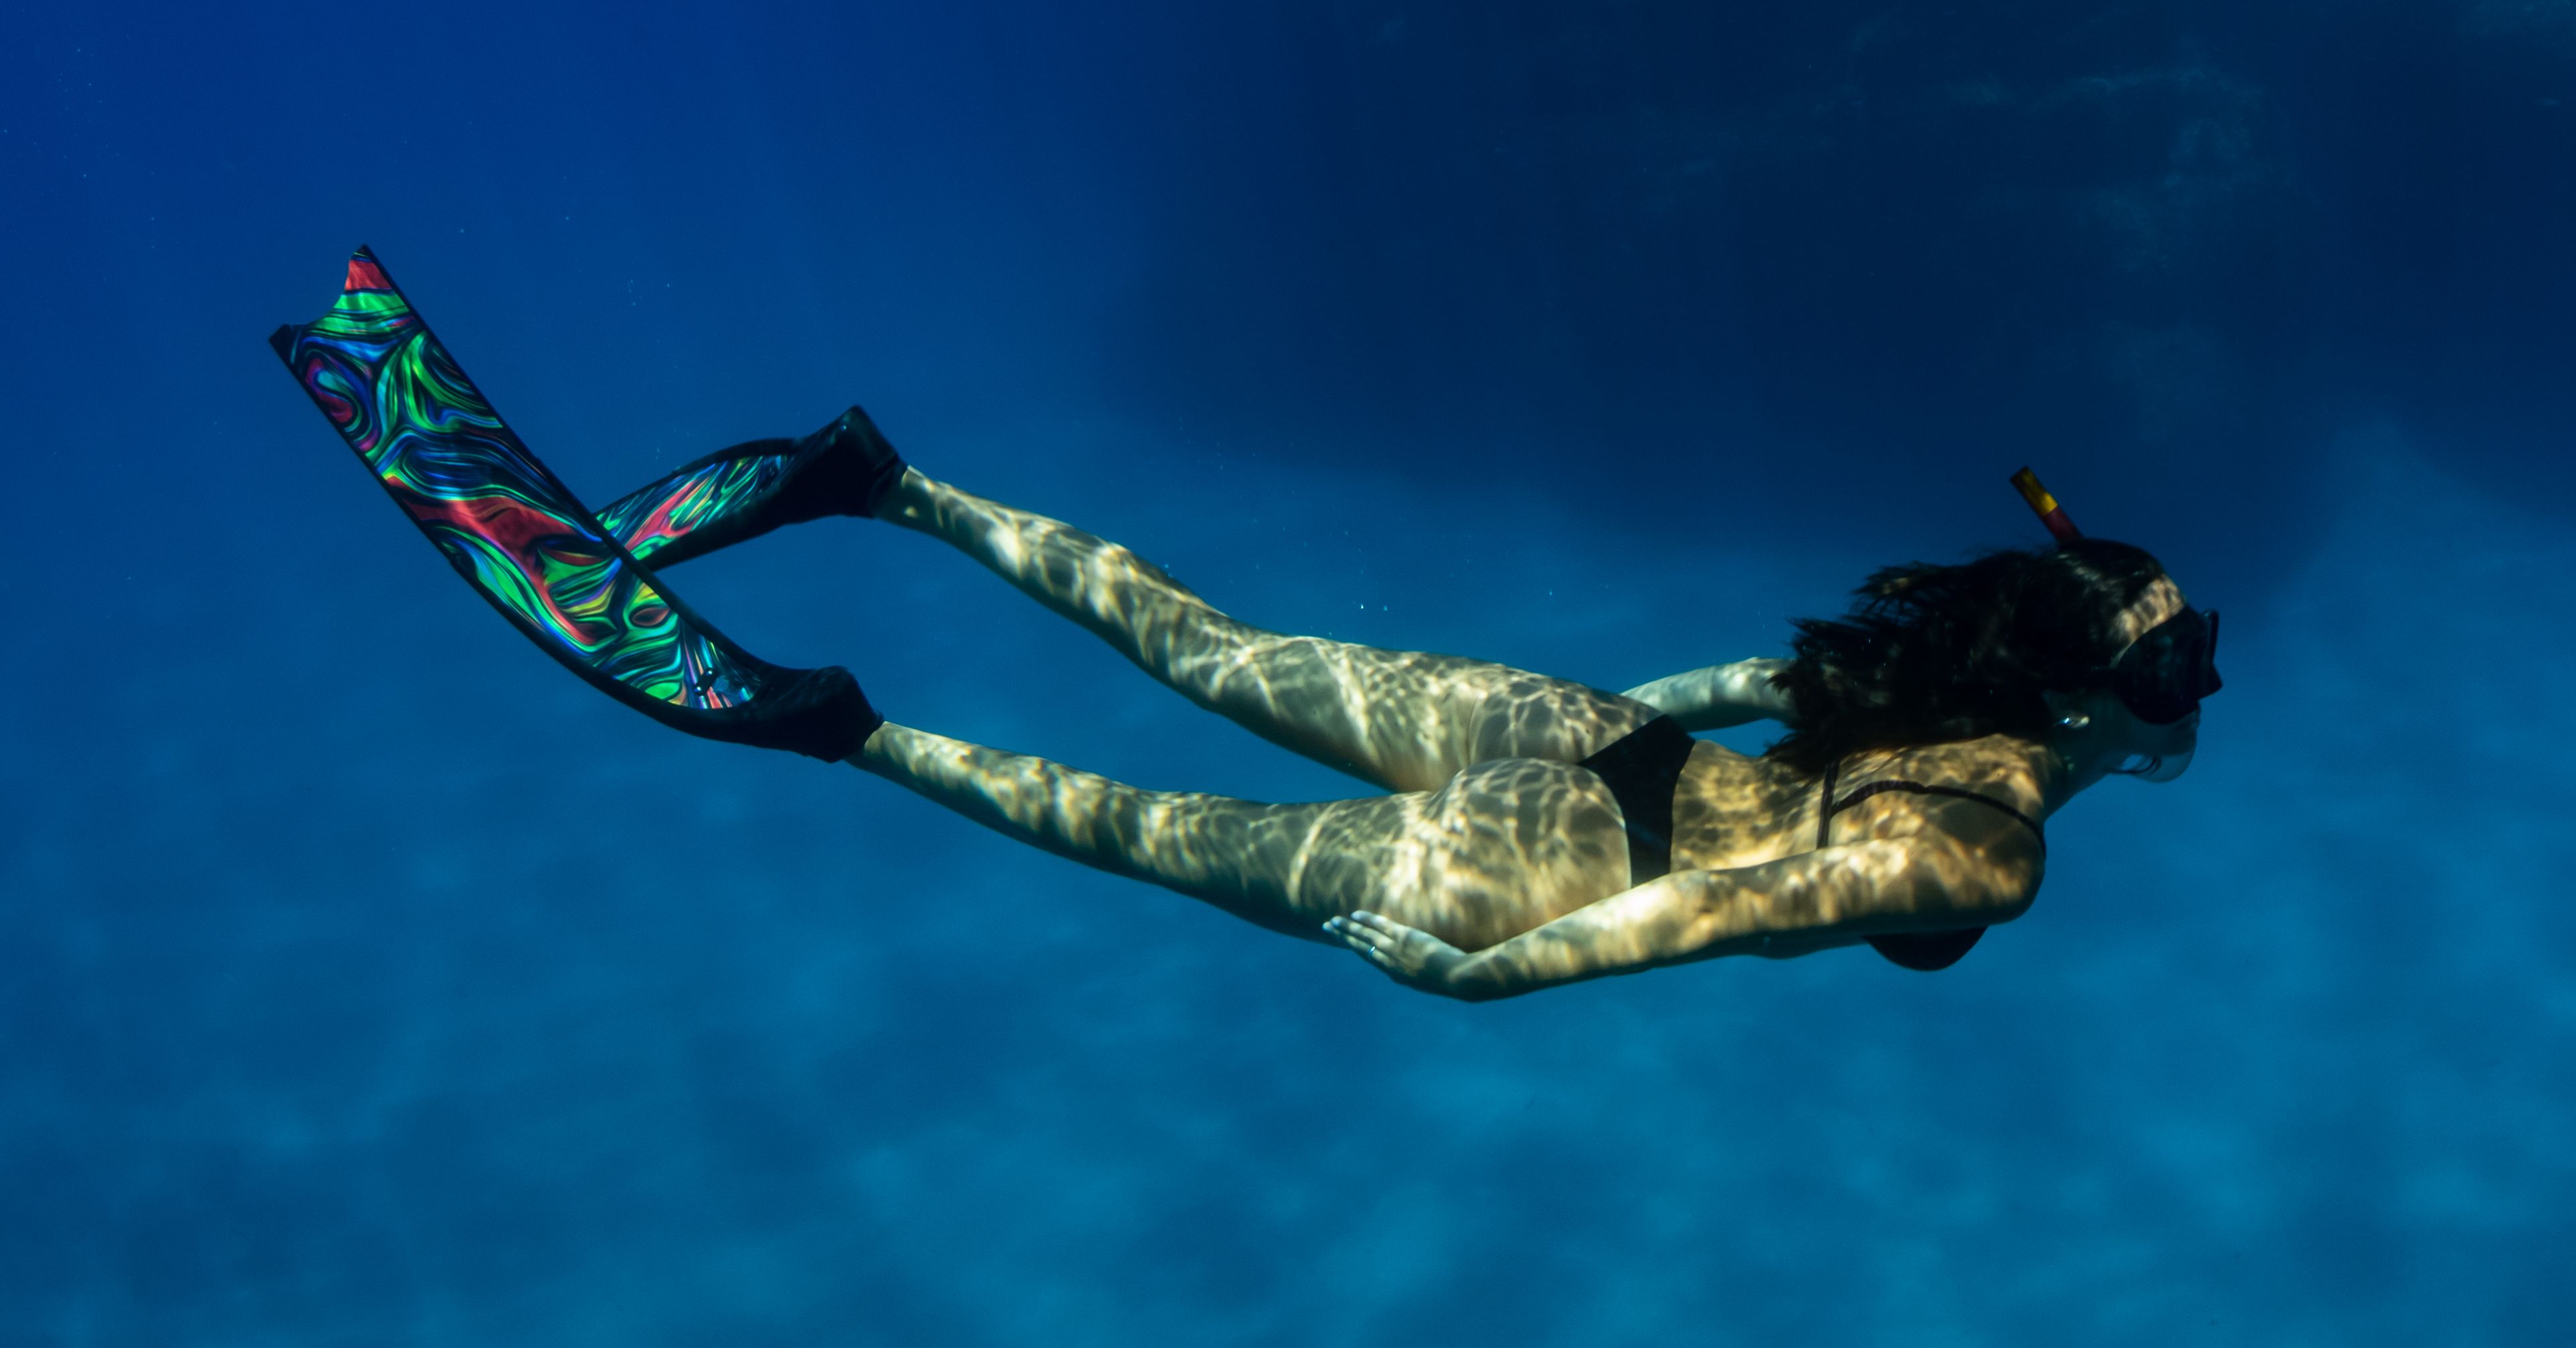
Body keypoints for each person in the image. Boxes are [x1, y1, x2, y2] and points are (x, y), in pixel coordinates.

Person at [270, 250, 2221, 1001]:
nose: (2194, 688)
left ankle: (883, 483)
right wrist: (1503, 975)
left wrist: (1599, 732)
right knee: (1147, 823)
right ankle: (827, 724)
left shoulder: (1946, 683)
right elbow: (1733, 909)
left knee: (1204, 644)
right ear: (2094, 695)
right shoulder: (1997, 845)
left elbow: (1735, 684)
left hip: (1576, 742)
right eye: (2175, 664)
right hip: (1553, 867)